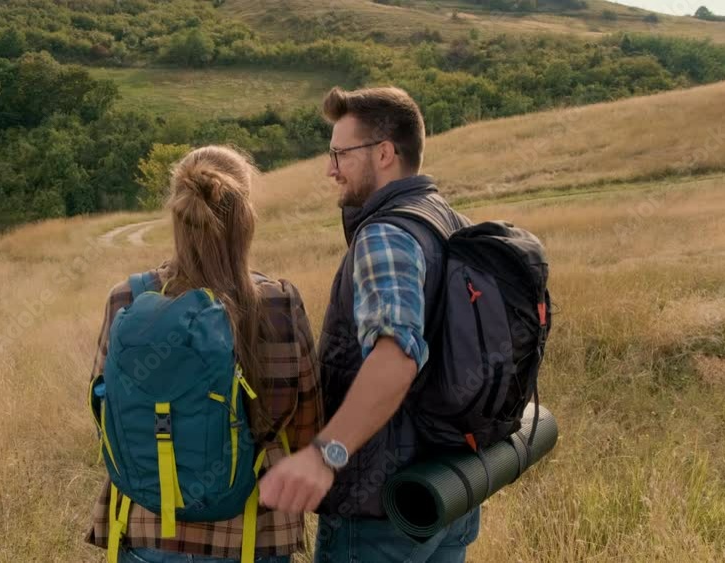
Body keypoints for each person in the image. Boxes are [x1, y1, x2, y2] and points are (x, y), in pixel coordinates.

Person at [258, 87, 478, 562]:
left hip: (382, 515)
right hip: (446, 493)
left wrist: (325, 454)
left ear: (383, 153)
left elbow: (397, 355)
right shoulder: (450, 220)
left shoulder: (385, 234)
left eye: (340, 153)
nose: (329, 168)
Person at [83, 145, 324, 563]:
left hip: (147, 528)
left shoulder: (127, 298)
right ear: (246, 216)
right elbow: (307, 426)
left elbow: (109, 415)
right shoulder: (279, 303)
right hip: (254, 534)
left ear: (176, 213)